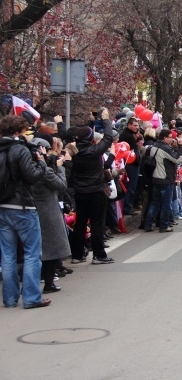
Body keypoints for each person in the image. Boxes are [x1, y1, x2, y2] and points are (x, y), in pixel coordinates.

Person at [0, 114, 51, 308]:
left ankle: (10, 299)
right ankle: (31, 298)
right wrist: (41, 162)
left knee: (8, 255)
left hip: (2, 206)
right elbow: (32, 176)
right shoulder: (19, 149)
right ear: (18, 131)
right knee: (31, 253)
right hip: (22, 206)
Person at [69, 107, 115, 265]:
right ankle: (99, 255)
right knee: (97, 223)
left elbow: (81, 133)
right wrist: (106, 119)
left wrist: (91, 122)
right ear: (91, 139)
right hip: (95, 191)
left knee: (80, 222)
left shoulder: (73, 151)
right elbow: (108, 137)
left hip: (80, 191)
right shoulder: (94, 151)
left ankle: (77, 254)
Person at [29, 137, 70, 294]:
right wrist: (59, 168)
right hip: (47, 210)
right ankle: (48, 283)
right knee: (52, 247)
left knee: (33, 250)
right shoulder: (43, 170)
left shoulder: (25, 168)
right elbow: (61, 185)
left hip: (32, 209)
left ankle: (30, 285)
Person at [143, 129, 182, 233]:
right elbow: (177, 159)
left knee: (155, 202)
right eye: (170, 137)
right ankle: (164, 226)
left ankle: (148, 224)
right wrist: (180, 147)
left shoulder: (154, 146)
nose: (172, 139)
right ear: (165, 137)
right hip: (165, 178)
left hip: (155, 178)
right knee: (166, 203)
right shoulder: (166, 148)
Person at [118, 117, 141, 215]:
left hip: (132, 163)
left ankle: (128, 206)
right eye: (135, 125)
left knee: (131, 187)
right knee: (130, 187)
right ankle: (127, 208)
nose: (137, 127)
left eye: (137, 125)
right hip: (131, 164)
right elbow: (132, 150)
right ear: (129, 125)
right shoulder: (127, 136)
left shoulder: (130, 135)